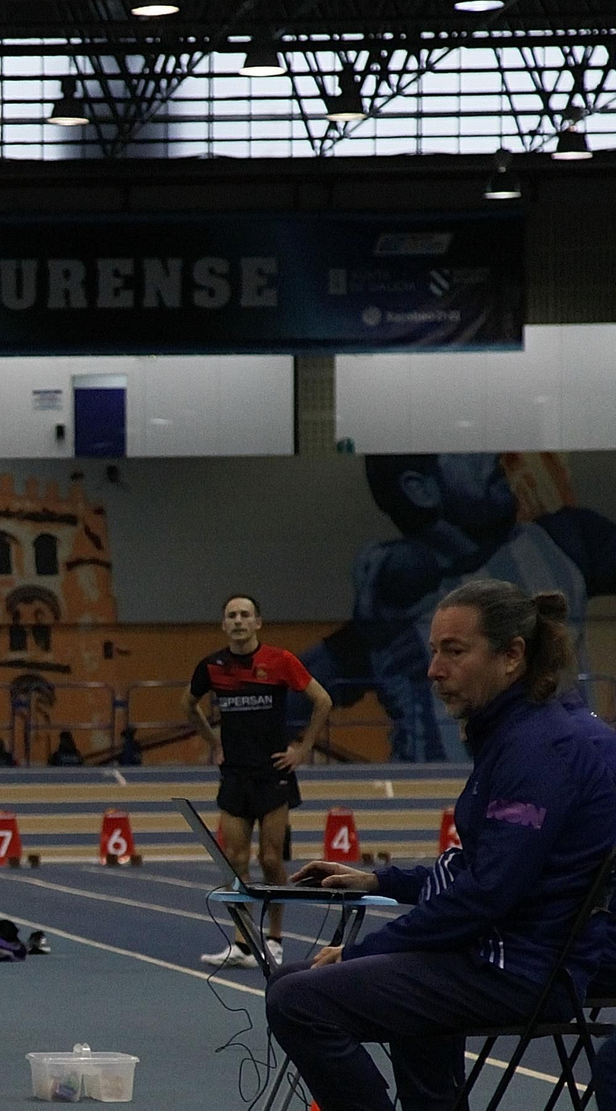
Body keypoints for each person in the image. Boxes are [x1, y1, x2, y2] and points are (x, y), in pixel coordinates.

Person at [266, 580, 616, 1111]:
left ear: (511, 656)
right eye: (433, 652)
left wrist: (366, 950)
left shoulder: (540, 749)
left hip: (523, 969)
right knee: (330, 974)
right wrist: (384, 880)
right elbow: (484, 866)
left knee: (297, 999)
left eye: (454, 651)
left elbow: (486, 893)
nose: (433, 670)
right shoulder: (529, 732)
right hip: (513, 953)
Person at [295, 453, 616, 761]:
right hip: (433, 789)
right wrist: (369, 633)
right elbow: (286, 694)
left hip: (554, 768)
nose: (491, 457)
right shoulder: (394, 597)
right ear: (420, 489)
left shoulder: (565, 541)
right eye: (465, 453)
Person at [184, 594, 332, 968]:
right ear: (223, 624)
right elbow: (187, 704)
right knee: (234, 860)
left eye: (244, 615)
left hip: (272, 774)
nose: (237, 621)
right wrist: (212, 741)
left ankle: (275, 938)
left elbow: (323, 700)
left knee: (269, 859)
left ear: (257, 623)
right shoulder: (213, 666)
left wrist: (303, 748)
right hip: (234, 774)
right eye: (231, 615)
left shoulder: (279, 660)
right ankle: (243, 942)